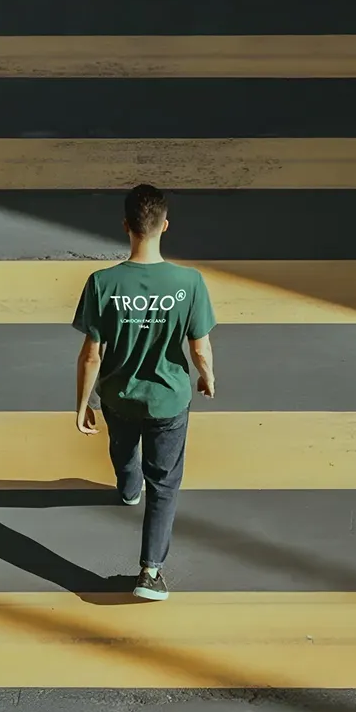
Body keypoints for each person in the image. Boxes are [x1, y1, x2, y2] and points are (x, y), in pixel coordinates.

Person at [71, 183, 217, 601]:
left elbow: (91, 355)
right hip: (169, 399)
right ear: (165, 226)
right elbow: (199, 346)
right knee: (166, 484)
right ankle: (150, 572)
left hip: (118, 395)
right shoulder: (189, 283)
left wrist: (83, 404)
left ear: (125, 226)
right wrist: (205, 376)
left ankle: (128, 485)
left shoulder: (102, 283)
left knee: (121, 446)